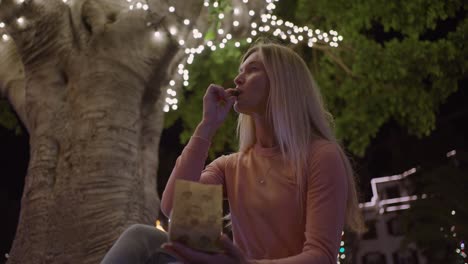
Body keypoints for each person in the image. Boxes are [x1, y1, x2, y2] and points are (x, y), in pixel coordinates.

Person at [102, 41, 365, 264]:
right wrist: (207, 127)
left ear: (282, 83)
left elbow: (321, 256)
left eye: (252, 70)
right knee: (142, 238)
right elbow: (174, 208)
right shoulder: (230, 166)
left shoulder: (321, 156)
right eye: (240, 71)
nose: (238, 78)